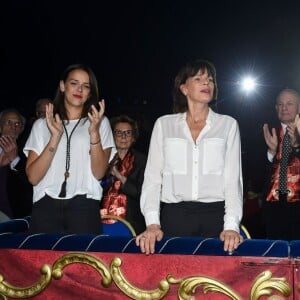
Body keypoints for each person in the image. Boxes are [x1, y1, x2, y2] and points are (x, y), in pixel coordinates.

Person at [136, 59, 243, 255]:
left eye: (210, 80)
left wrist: (231, 226)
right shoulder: (164, 125)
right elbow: (152, 179)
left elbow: (232, 181)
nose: (207, 83)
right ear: (184, 88)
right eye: (199, 78)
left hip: (215, 217)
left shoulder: (228, 125)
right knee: (173, 279)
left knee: (214, 280)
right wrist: (152, 224)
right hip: (175, 217)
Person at [24, 63, 115, 234]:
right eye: (74, 83)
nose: (79, 89)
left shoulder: (100, 122)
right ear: (62, 86)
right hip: (45, 205)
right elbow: (33, 177)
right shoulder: (42, 125)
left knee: (83, 260)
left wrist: (94, 132)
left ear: (90, 92)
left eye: (86, 86)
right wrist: (55, 137)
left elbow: (99, 173)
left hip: (84, 206)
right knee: (43, 260)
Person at [262, 88, 300, 240]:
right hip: (274, 208)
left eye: (289, 103)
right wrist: (271, 153)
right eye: (280, 104)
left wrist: (297, 147)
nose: (284, 108)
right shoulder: (267, 133)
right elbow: (255, 177)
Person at [100, 115, 147, 234]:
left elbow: (140, 192)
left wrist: (118, 175)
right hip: (100, 220)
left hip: (131, 222)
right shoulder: (103, 157)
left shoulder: (142, 161)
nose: (123, 136)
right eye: (118, 132)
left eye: (128, 133)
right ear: (112, 136)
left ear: (133, 138)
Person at [0, 108, 33, 220]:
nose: (13, 127)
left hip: (12, 217)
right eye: (8, 122)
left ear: (22, 129)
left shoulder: (28, 152)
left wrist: (15, 159)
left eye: (17, 124)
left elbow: (31, 182)